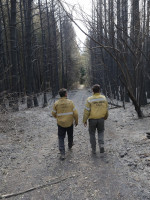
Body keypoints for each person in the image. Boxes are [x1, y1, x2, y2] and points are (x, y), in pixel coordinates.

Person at [52, 88, 78, 160]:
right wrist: (76, 121)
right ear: (66, 94)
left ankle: (62, 153)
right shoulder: (70, 102)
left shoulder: (56, 103)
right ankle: (70, 145)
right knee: (70, 135)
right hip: (69, 123)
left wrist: (58, 118)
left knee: (61, 137)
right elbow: (75, 113)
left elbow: (53, 113)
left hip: (60, 124)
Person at [83, 84, 108, 154]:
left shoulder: (89, 99)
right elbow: (106, 109)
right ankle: (101, 145)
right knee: (101, 132)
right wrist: (105, 117)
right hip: (101, 119)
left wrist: (84, 120)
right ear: (99, 90)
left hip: (92, 120)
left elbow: (86, 111)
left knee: (92, 134)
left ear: (92, 91)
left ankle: (93, 149)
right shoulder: (103, 98)